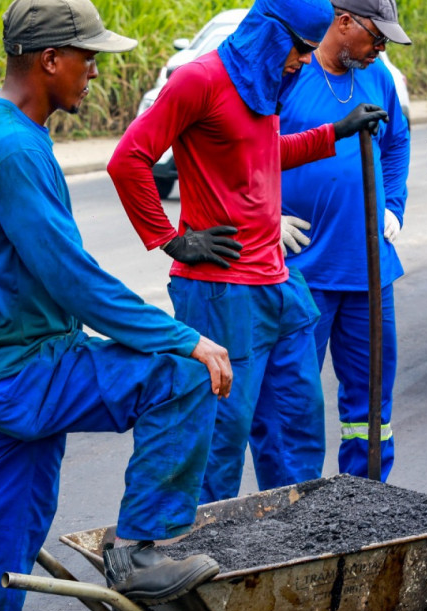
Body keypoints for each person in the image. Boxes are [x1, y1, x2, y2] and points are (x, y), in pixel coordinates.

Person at [0, 1, 233, 611]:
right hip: (21, 367)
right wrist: (183, 337)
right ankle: (139, 551)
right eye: (86, 56)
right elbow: (71, 277)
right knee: (180, 378)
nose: (95, 70)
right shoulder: (11, 149)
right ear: (47, 60)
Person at [108, 0, 387, 503]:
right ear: (272, 36)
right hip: (221, 293)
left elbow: (263, 153)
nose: (304, 61)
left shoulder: (263, 87)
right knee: (220, 438)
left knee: (297, 429)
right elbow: (129, 159)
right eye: (300, 49)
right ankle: (200, 552)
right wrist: (170, 238)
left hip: (278, 284)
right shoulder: (199, 81)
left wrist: (336, 132)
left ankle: (290, 549)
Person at [278, 1, 411, 481]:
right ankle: (295, 510)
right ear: (344, 21)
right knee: (294, 400)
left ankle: (366, 499)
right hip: (302, 271)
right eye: (376, 36)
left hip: (370, 270)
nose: (381, 48)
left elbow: (396, 143)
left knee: (372, 400)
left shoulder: (378, 78)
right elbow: (245, 152)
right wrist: (265, 215)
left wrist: (394, 203)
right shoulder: (291, 73)